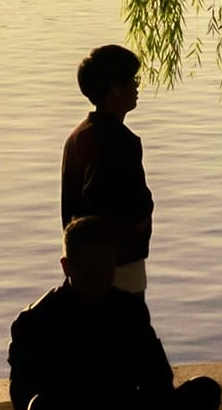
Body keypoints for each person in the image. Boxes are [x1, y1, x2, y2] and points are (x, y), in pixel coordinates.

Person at [9, 214, 221, 410]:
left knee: (205, 390)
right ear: (66, 266)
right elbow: (21, 398)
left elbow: (159, 379)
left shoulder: (129, 309)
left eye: (105, 266)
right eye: (89, 267)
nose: (99, 276)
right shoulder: (35, 321)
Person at [61, 44, 154, 294]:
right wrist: (141, 215)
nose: (137, 87)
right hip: (117, 266)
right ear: (115, 88)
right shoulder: (119, 141)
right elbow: (106, 199)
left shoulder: (78, 136)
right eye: (133, 80)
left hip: (84, 266)